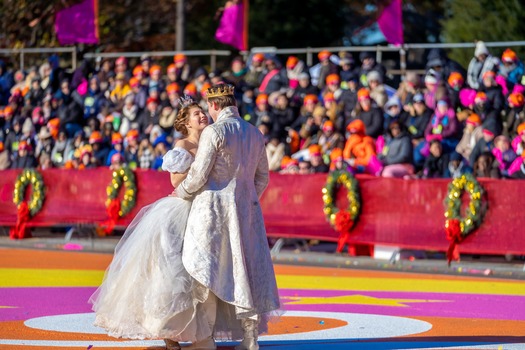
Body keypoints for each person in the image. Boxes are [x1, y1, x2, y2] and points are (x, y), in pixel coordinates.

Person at [90, 97, 214, 348]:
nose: (202, 116)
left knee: (202, 273)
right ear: (186, 123)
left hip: (205, 211)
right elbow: (175, 181)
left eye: (203, 112)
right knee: (173, 273)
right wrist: (202, 168)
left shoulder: (212, 141)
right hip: (180, 212)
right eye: (196, 114)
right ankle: (170, 335)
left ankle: (200, 333)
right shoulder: (183, 144)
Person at [175, 84, 281, 350]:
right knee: (245, 270)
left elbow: (198, 175)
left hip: (211, 210)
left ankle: (205, 339)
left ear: (214, 106)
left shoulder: (214, 131)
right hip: (247, 212)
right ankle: (250, 338)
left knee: (206, 271)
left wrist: (180, 192)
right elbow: (263, 177)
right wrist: (244, 197)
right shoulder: (255, 133)